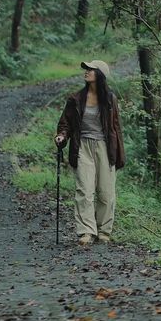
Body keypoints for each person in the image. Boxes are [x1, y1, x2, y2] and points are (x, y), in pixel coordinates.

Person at [55, 59, 125, 246]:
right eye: (86, 69)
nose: (86, 72)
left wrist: (119, 154)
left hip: (104, 146)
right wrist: (62, 136)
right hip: (82, 146)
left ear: (99, 75)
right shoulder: (76, 99)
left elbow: (116, 128)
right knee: (84, 190)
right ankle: (86, 231)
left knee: (106, 192)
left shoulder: (110, 99)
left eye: (90, 70)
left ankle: (103, 231)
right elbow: (65, 123)